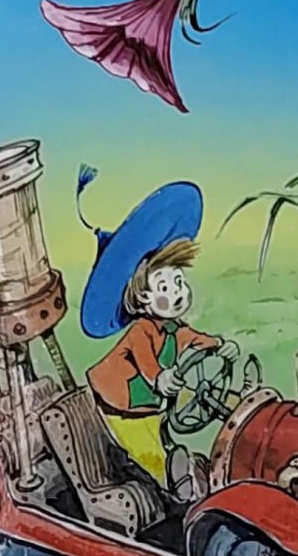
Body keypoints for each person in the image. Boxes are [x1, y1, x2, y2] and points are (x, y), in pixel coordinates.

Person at [77, 179, 225, 485]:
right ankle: (167, 481)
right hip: (118, 407)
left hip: (148, 407)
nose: (178, 292)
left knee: (160, 435)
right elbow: (146, 361)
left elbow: (190, 339)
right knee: (144, 450)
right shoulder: (141, 331)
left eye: (179, 281)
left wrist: (217, 346)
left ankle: (176, 472)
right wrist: (160, 378)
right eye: (165, 288)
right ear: (142, 297)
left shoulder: (172, 328)